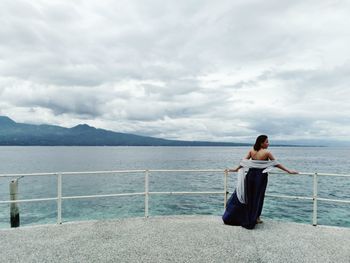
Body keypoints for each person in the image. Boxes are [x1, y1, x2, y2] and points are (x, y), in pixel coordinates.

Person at [222, 135, 298, 229]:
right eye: (266, 142)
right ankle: (256, 217)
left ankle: (244, 216)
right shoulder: (267, 153)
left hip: (250, 176)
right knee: (258, 197)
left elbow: (243, 162)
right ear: (261, 143)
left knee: (248, 196)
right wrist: (289, 171)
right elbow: (276, 164)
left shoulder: (251, 151)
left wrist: (235, 169)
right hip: (260, 177)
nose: (268, 143)